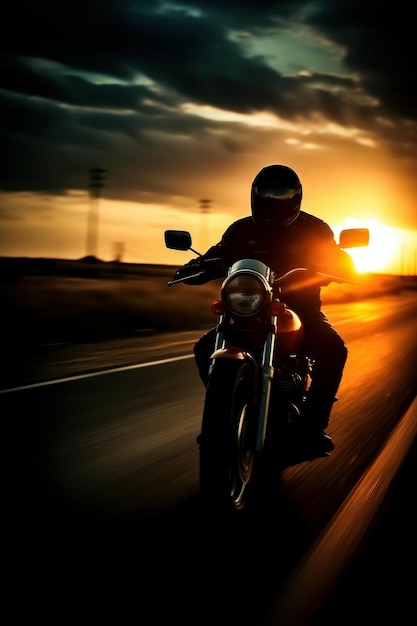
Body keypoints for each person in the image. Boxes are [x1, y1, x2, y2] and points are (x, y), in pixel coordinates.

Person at [175, 164, 357, 454]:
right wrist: (194, 267)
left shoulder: (315, 229)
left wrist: (341, 267)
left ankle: (313, 425)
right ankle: (225, 415)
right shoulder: (241, 229)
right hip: (247, 311)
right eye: (266, 192)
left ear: (296, 196)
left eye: (280, 193)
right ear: (254, 194)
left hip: (300, 311)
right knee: (203, 349)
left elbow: (336, 257)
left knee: (335, 350)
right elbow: (218, 253)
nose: (272, 199)